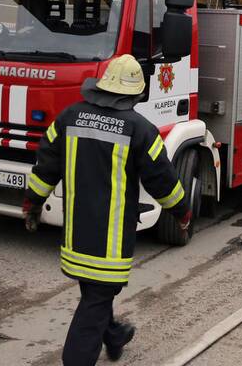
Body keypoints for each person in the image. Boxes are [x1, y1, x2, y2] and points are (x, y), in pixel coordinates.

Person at [21, 55, 192, 366]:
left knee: (95, 295)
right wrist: (182, 211)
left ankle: (114, 336)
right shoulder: (140, 129)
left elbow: (46, 165)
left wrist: (32, 203)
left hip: (76, 235)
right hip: (110, 242)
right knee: (96, 301)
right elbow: (163, 180)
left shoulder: (68, 117)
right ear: (135, 94)